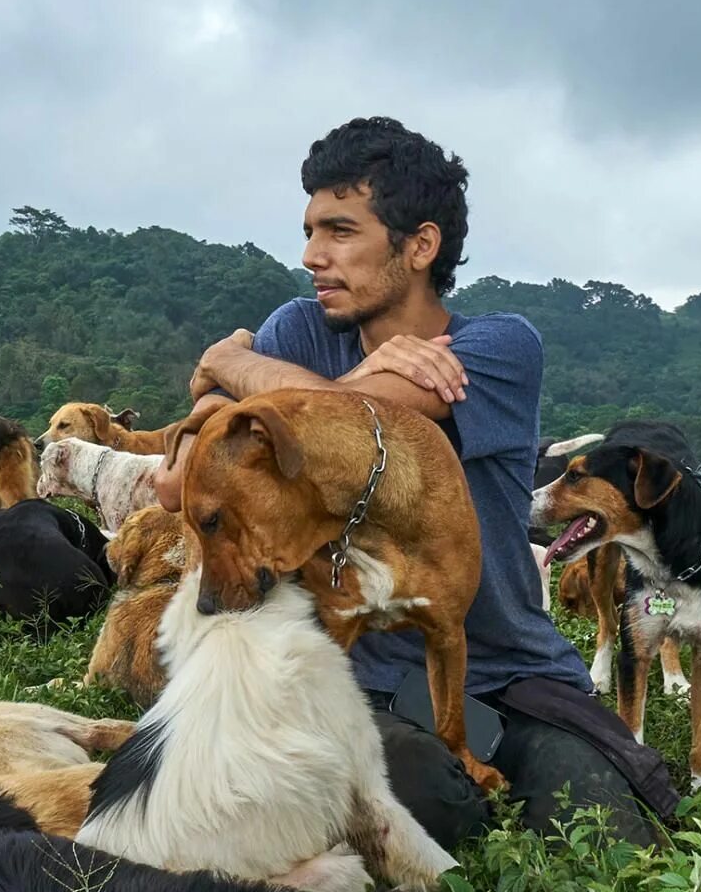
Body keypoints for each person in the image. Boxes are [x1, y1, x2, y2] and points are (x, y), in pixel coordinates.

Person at [155, 116, 673, 847]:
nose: (312, 256)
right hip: (362, 677)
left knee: (610, 844)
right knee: (430, 804)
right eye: (309, 231)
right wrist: (239, 398)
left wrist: (231, 366)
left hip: (511, 674)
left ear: (420, 245)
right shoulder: (300, 332)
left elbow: (362, 432)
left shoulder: (496, 347)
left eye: (340, 231)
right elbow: (181, 482)